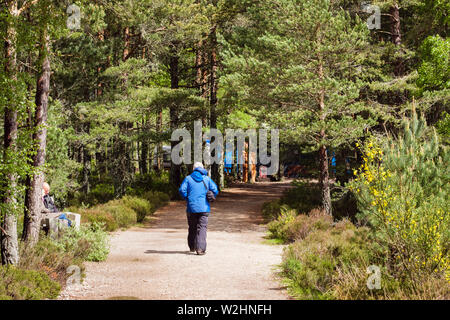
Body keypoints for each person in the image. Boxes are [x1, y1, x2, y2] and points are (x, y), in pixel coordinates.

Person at [179, 162, 219, 255]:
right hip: (204, 208)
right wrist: (211, 196)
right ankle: (200, 249)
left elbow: (182, 190)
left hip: (191, 208)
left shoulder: (188, 179)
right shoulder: (207, 179)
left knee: (192, 227)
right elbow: (215, 190)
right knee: (202, 228)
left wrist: (187, 198)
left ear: (193, 169)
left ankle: (192, 246)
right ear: (202, 169)